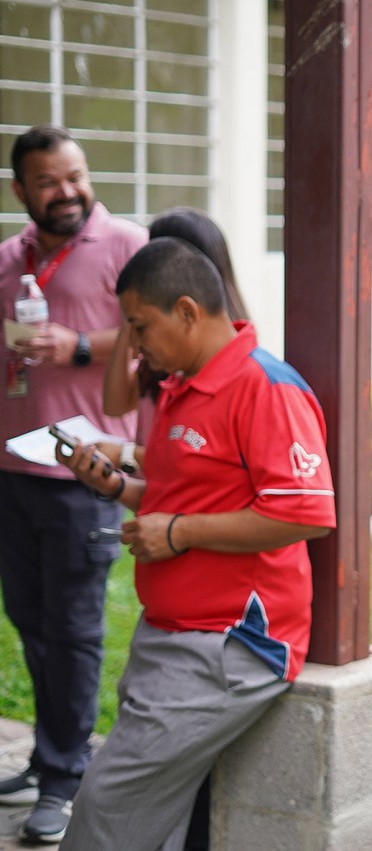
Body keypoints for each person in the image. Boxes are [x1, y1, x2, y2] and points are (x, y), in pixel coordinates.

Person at [53, 236, 336, 850]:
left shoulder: (266, 387)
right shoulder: (184, 384)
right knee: (155, 822)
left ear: (186, 311)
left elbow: (307, 515)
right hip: (177, 638)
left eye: (139, 326)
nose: (134, 344)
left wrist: (176, 533)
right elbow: (186, 497)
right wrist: (121, 488)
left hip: (231, 642)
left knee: (105, 805)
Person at [0, 124, 146, 843]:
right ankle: (49, 756)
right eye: (50, 182)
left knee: (75, 628)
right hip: (12, 469)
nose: (67, 193)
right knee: (30, 619)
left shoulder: (126, 245)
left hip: (86, 471)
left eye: (76, 176)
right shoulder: (9, 258)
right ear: (21, 190)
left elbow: (167, 331)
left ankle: (65, 777)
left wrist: (80, 346)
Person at [99, 207, 249, 475]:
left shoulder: (211, 357)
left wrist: (126, 454)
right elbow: (115, 404)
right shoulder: (160, 342)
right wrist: (134, 315)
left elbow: (197, 459)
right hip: (157, 498)